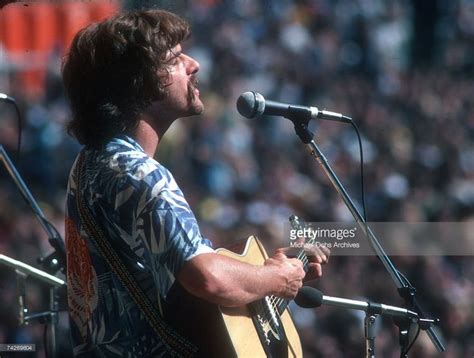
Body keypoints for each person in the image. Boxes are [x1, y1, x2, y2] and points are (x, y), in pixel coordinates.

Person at [62, 9, 329, 357]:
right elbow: (207, 278)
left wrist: (267, 275)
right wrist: (278, 279)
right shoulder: (141, 173)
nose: (194, 64)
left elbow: (181, 296)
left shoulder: (90, 164)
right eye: (175, 59)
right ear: (138, 82)